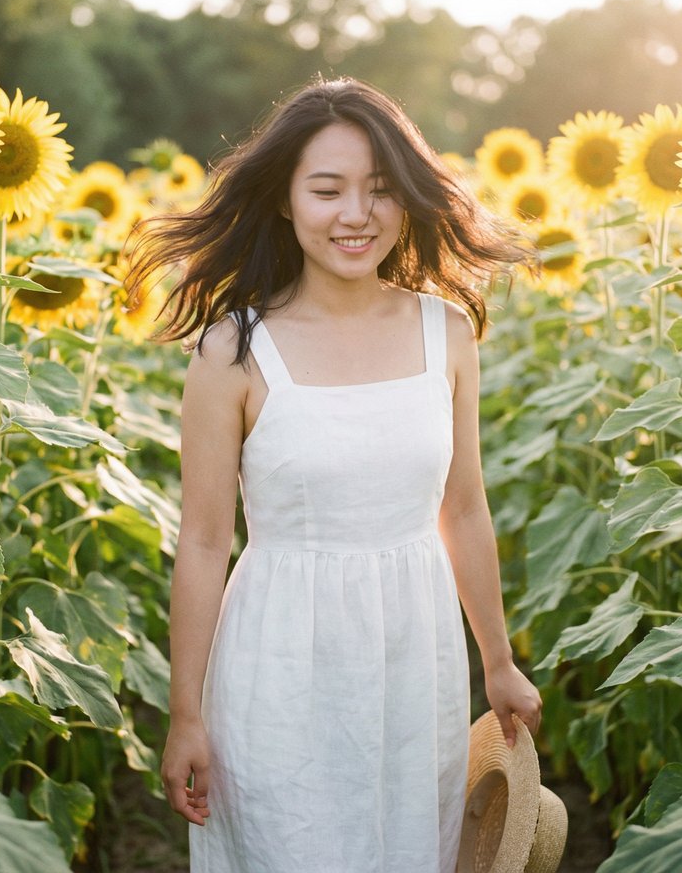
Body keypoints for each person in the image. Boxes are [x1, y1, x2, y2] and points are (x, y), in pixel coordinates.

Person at [129, 75, 542, 872]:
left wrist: (498, 661)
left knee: (410, 846)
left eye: (380, 190)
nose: (357, 214)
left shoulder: (447, 331)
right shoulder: (233, 349)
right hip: (278, 656)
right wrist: (185, 715)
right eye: (327, 191)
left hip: (414, 658)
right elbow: (205, 542)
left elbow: (463, 510)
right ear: (286, 202)